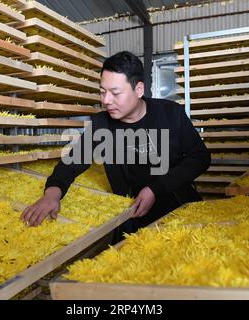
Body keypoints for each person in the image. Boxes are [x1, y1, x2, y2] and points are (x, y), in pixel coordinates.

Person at [21, 51, 211, 243]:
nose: (106, 101)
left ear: (138, 90)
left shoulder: (171, 114)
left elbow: (200, 157)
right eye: (103, 92)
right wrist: (51, 195)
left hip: (178, 207)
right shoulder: (102, 124)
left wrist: (155, 189)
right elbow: (72, 162)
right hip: (132, 212)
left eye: (115, 93)